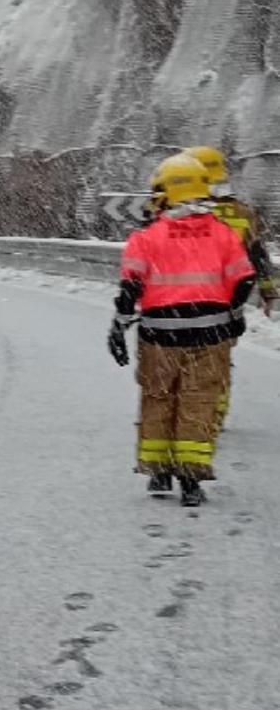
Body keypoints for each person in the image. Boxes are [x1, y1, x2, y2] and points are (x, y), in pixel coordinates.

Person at [107, 154, 255, 507]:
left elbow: (130, 289)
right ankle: (190, 480)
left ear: (168, 191)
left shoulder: (146, 238)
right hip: (209, 336)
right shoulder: (221, 234)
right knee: (198, 403)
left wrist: (118, 326)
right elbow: (244, 277)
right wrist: (234, 313)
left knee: (159, 399)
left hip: (159, 336)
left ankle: (158, 471)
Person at [183, 146, 277, 429]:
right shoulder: (242, 212)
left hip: (186, 298)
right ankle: (214, 410)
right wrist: (268, 290)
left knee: (185, 354)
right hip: (229, 300)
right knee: (218, 355)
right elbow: (258, 254)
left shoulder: (181, 213)